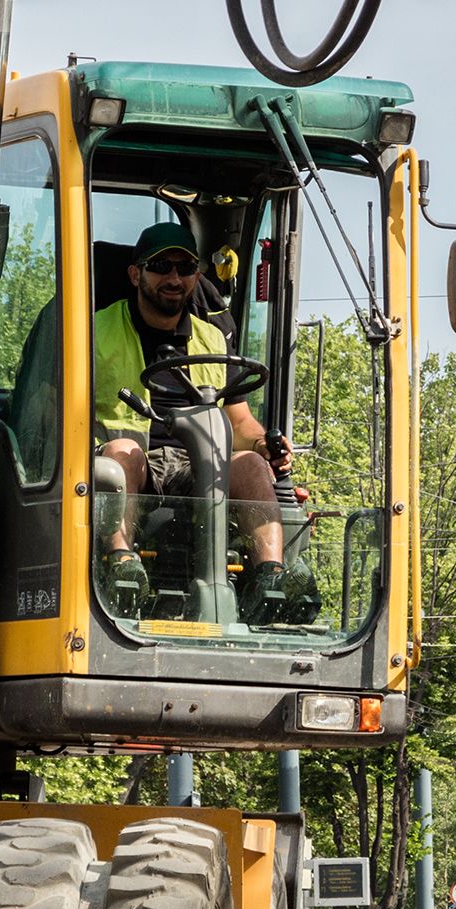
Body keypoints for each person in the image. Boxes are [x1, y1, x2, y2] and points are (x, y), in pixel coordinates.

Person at [90, 221, 307, 625]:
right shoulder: (93, 329)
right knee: (125, 453)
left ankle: (272, 582)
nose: (174, 278)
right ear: (136, 273)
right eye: (161, 266)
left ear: (197, 276)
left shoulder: (213, 338)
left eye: (185, 267)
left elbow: (238, 420)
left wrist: (263, 444)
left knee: (251, 466)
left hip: (197, 465)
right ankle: (120, 565)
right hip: (128, 461)